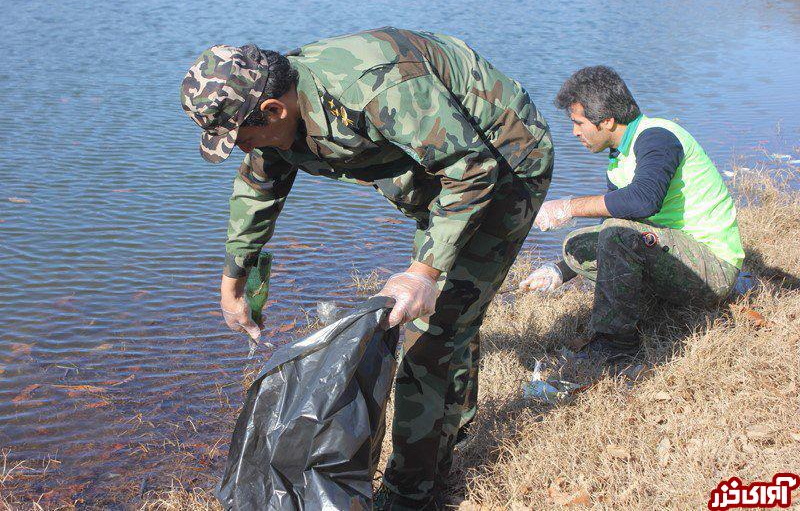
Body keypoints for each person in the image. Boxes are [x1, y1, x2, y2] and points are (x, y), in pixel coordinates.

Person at [180, 27, 554, 509]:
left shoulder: (373, 88)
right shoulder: (277, 109)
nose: (245, 150)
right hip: (436, 174)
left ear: (274, 110)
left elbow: (471, 169)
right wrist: (233, 278)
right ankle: (447, 435)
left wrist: (424, 271)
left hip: (503, 162)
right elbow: (258, 187)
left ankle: (409, 494)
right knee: (451, 317)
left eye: (244, 139)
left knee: (432, 328)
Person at [520, 65, 744, 358]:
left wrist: (569, 207)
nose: (574, 132)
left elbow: (644, 200)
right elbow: (610, 223)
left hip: (714, 270)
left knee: (617, 235)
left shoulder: (657, 138)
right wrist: (559, 270)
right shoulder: (620, 158)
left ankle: (617, 346)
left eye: (578, 123)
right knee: (580, 243)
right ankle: (645, 307)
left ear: (608, 121)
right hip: (680, 256)